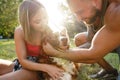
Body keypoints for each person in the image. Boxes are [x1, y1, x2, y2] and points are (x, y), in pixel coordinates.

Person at [43, 0, 120, 79]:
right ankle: (110, 71)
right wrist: (71, 51)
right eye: (75, 13)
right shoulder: (93, 10)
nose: (79, 19)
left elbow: (93, 54)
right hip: (113, 36)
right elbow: (90, 40)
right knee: (79, 39)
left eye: (80, 12)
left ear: (96, 1)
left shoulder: (116, 11)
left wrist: (56, 53)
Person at [0, 0, 66, 80]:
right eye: (38, 21)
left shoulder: (50, 29)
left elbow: (63, 49)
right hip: (25, 65)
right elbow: (23, 61)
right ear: (27, 22)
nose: (44, 23)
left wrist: (63, 37)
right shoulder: (20, 31)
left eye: (45, 17)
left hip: (37, 71)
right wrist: (46, 67)